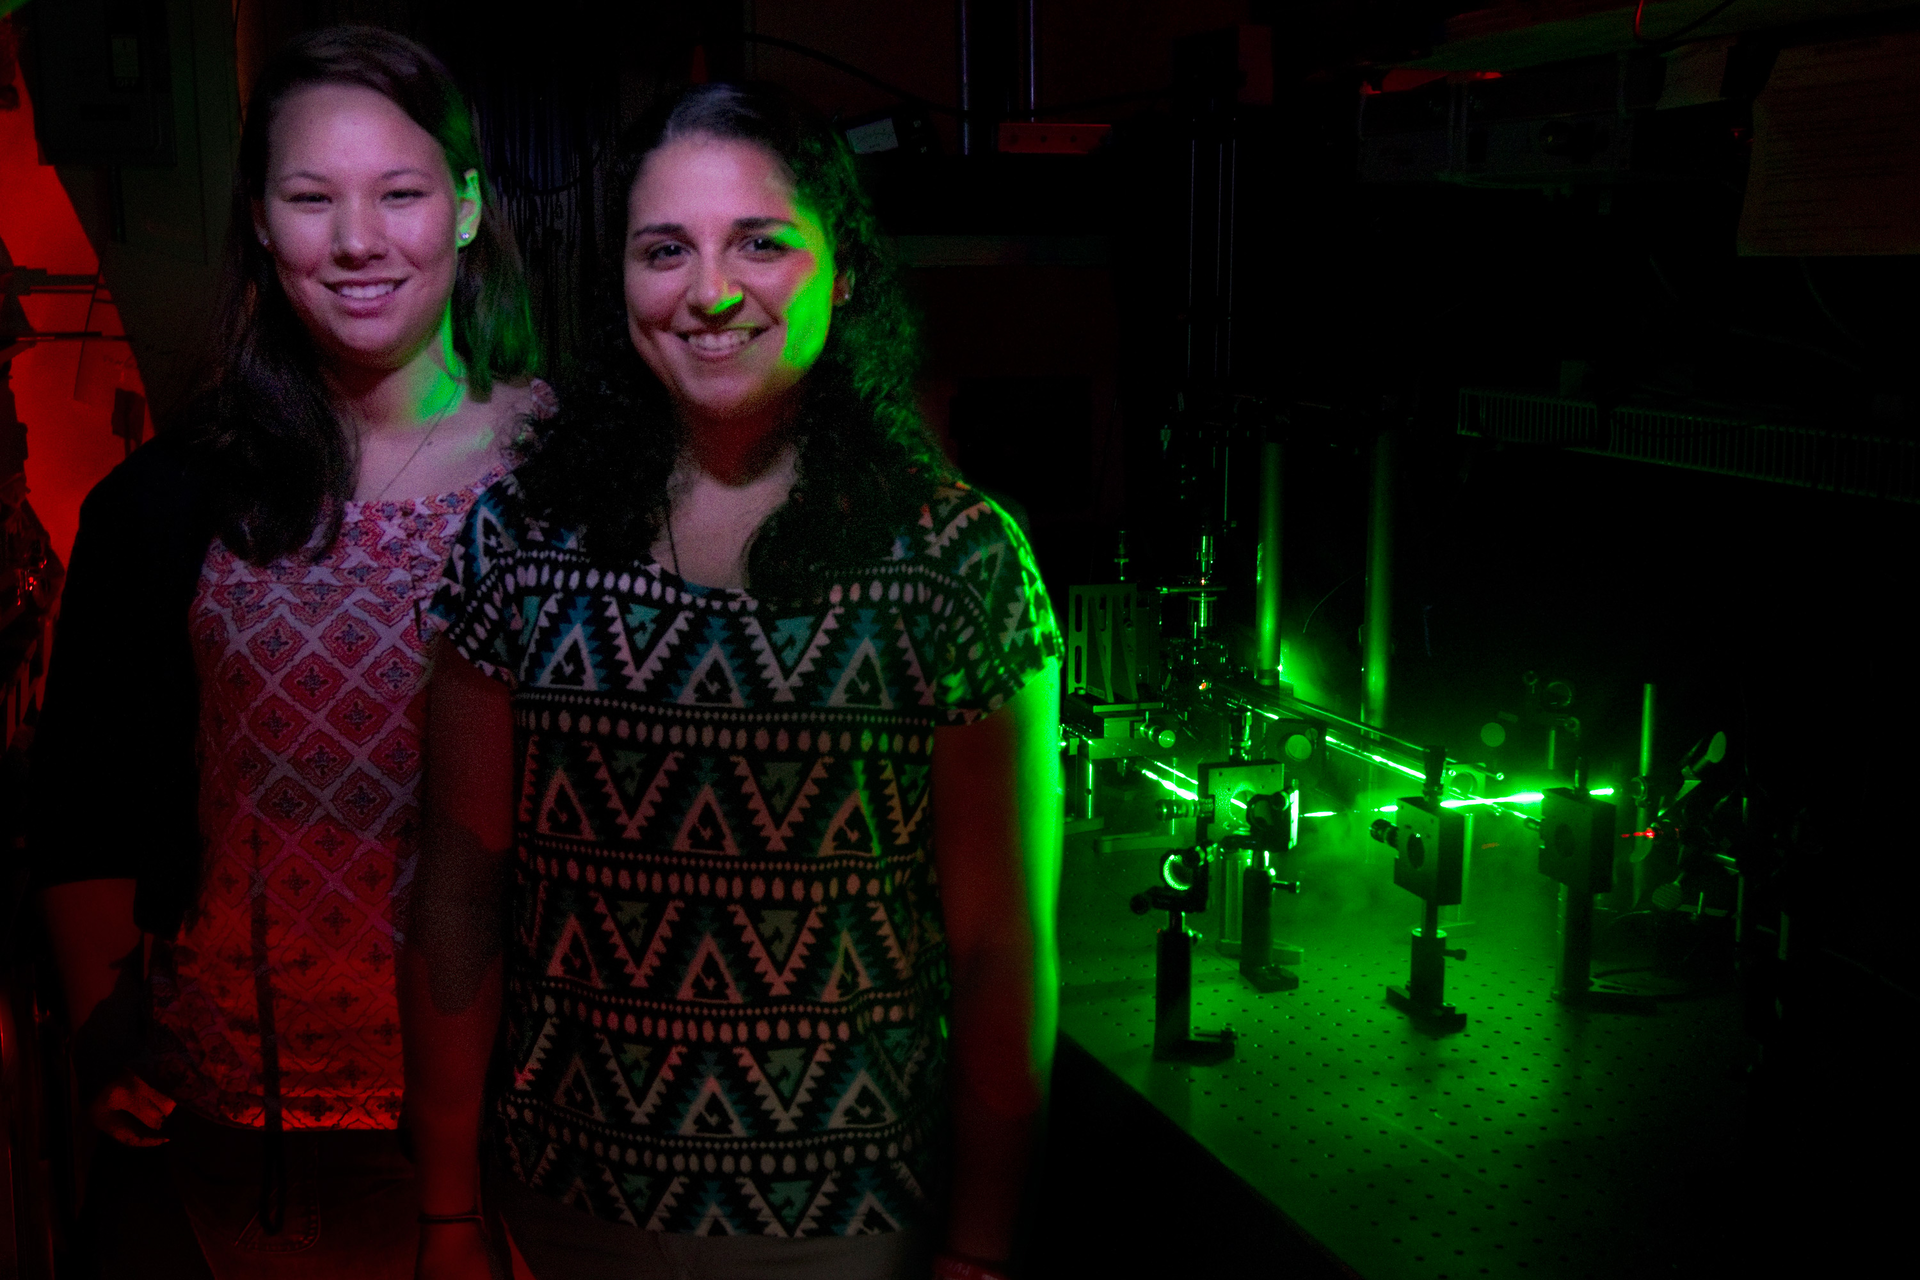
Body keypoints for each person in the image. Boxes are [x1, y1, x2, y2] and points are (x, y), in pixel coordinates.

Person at [405, 82, 1062, 1280]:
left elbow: (998, 944)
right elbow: (458, 891)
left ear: (843, 271)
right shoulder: (519, 540)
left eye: (760, 241)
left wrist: (981, 1244)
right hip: (562, 1202)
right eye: (666, 248)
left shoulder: (958, 561)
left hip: (853, 1221)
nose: (710, 289)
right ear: (622, 281)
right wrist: (447, 1210)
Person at [29, 25, 546, 1279]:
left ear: (470, 211)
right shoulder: (169, 502)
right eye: (312, 197)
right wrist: (107, 1049)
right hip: (252, 1141)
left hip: (532, 1133)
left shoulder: (582, 483)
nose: (358, 239)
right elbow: (90, 799)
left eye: (402, 193)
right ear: (261, 222)